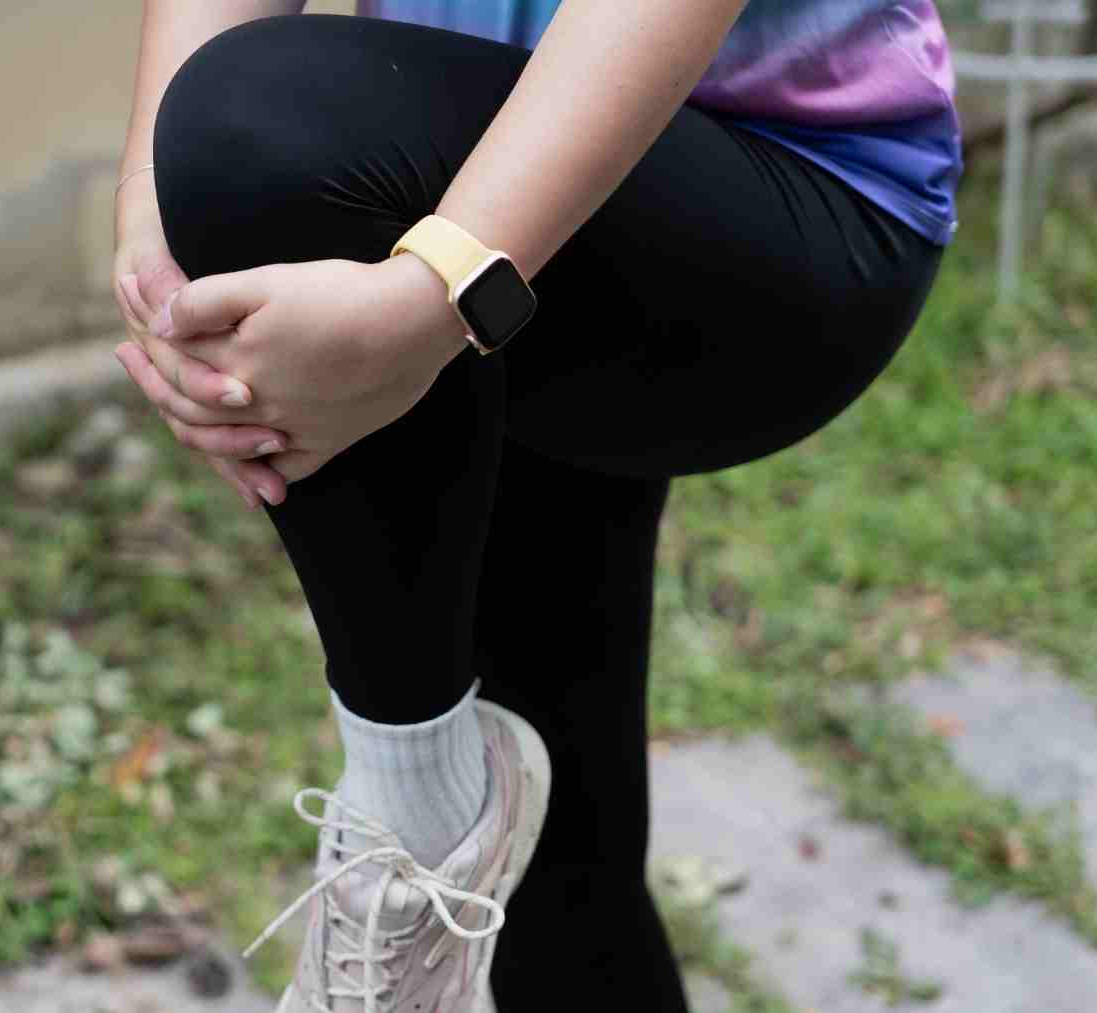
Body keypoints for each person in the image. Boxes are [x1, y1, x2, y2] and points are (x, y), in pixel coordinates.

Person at [109, 1, 962, 1009]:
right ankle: (446, 838)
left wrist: (435, 298)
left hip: (785, 192)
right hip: (456, 170)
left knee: (259, 116)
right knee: (561, 864)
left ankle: (413, 811)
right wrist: (154, 226)